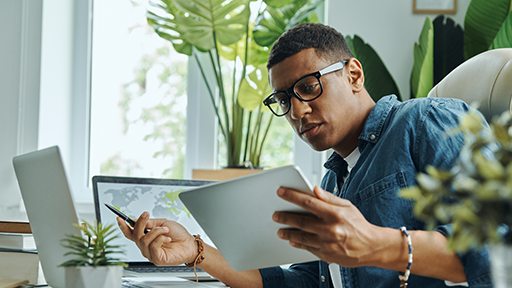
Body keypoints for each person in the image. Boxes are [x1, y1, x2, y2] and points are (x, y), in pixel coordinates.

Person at [118, 23, 491, 287]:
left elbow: (494, 246)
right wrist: (196, 252)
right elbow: (308, 281)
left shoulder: (425, 121)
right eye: (283, 100)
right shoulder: (333, 180)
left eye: (308, 88)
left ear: (354, 75)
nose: (296, 112)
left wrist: (376, 244)